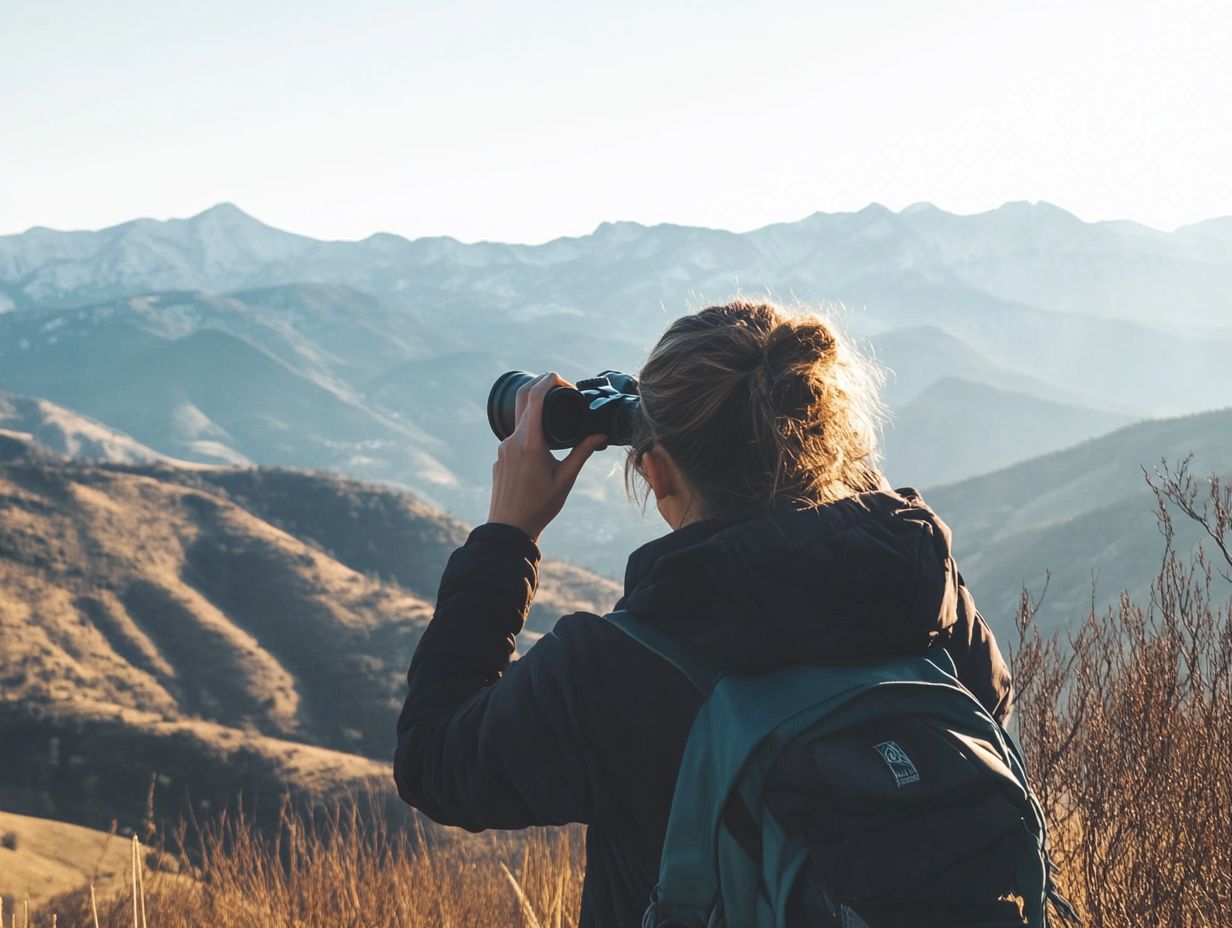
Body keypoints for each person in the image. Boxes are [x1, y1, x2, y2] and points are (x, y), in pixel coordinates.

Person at [394, 301, 1013, 928]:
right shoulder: (921, 587)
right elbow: (990, 701)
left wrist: (507, 534)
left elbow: (434, 759)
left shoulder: (619, 666)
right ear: (830, 435)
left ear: (656, 471)